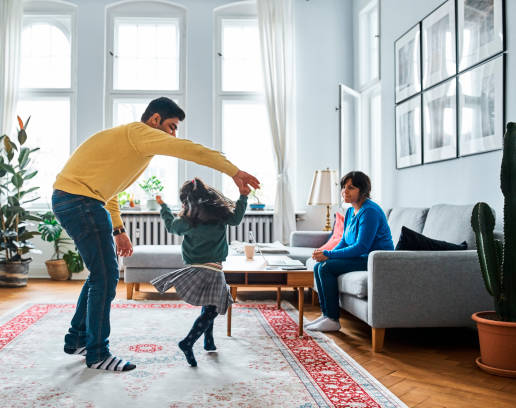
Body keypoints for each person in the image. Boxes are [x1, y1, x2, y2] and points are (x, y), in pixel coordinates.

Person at [52, 97, 259, 372]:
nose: (174, 135)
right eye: (172, 127)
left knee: (99, 274)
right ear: (155, 120)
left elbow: (108, 191)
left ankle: (78, 339)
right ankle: (98, 353)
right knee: (106, 276)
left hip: (78, 200)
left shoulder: (133, 145)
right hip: (81, 202)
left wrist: (118, 230)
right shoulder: (140, 134)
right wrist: (234, 171)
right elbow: (192, 150)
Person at [151, 178, 249, 367]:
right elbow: (236, 219)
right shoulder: (220, 214)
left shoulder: (188, 220)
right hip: (213, 269)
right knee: (212, 308)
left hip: (196, 268)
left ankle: (208, 341)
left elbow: (171, 226)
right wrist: (243, 196)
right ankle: (187, 342)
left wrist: (163, 207)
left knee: (210, 303)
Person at [306, 171, 393, 332]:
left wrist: (329, 255)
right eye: (344, 187)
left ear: (363, 190)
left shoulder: (370, 211)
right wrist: (326, 254)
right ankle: (327, 315)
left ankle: (333, 319)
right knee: (320, 265)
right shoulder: (350, 212)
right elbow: (344, 241)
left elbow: (362, 247)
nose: (345, 191)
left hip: (374, 260)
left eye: (351, 188)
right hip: (360, 257)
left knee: (326, 268)